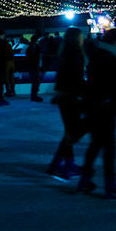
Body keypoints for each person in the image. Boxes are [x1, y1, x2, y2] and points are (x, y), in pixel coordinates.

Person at [77, 29, 116, 198]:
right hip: (106, 108)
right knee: (108, 147)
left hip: (95, 106)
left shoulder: (97, 55)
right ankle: (110, 184)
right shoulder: (111, 58)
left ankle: (85, 180)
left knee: (96, 144)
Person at [47, 27, 88, 179]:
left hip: (63, 95)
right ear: (77, 38)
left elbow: (63, 77)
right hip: (71, 96)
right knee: (73, 131)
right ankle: (64, 165)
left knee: (70, 131)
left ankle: (61, 163)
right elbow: (76, 78)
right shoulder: (76, 53)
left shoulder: (64, 53)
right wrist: (85, 92)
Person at [27, 35, 43, 101]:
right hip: (34, 66)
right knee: (35, 81)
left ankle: (34, 95)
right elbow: (38, 57)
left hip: (32, 66)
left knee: (35, 81)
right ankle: (34, 96)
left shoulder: (30, 47)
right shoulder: (35, 47)